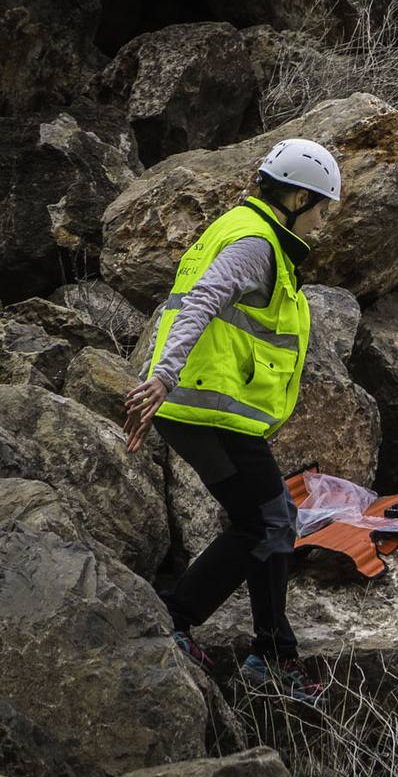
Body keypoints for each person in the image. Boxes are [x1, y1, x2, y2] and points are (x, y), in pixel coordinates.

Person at [122, 138, 340, 703]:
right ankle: (257, 652)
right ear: (297, 198)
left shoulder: (242, 229)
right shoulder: (254, 243)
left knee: (264, 519)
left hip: (195, 410)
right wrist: (163, 377)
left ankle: (229, 638)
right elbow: (200, 302)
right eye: (322, 207)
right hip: (207, 410)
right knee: (270, 521)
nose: (323, 221)